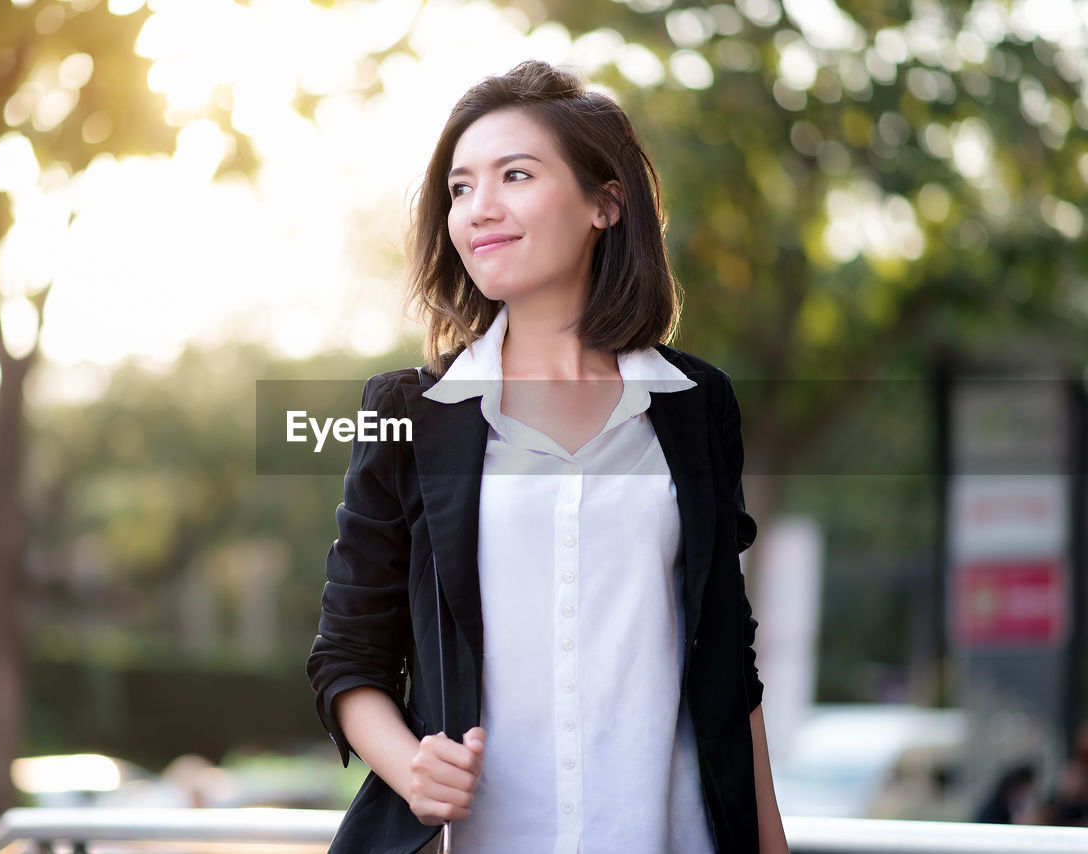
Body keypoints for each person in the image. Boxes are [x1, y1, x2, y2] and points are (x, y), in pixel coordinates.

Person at [306, 59, 789, 854]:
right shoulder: (408, 414)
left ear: (606, 202)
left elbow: (728, 660)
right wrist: (408, 765)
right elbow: (348, 654)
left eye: (515, 175)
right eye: (460, 188)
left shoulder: (697, 406)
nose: (479, 209)